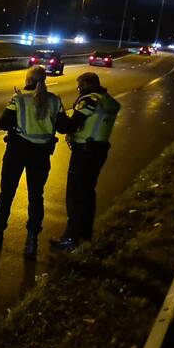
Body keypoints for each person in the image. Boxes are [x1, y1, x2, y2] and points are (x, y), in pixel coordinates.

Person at [0, 65, 66, 259]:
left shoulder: (19, 98)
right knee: (36, 196)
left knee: (7, 193)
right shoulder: (55, 100)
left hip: (17, 151)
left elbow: (3, 123)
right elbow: (64, 126)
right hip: (41, 155)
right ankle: (32, 240)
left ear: (28, 80)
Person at [50, 72, 121, 252]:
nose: (79, 89)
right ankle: (85, 235)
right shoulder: (107, 100)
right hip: (99, 150)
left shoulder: (90, 101)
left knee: (75, 196)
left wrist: (58, 109)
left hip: (84, 152)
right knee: (88, 194)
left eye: (80, 85)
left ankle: (71, 239)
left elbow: (67, 126)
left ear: (87, 84)